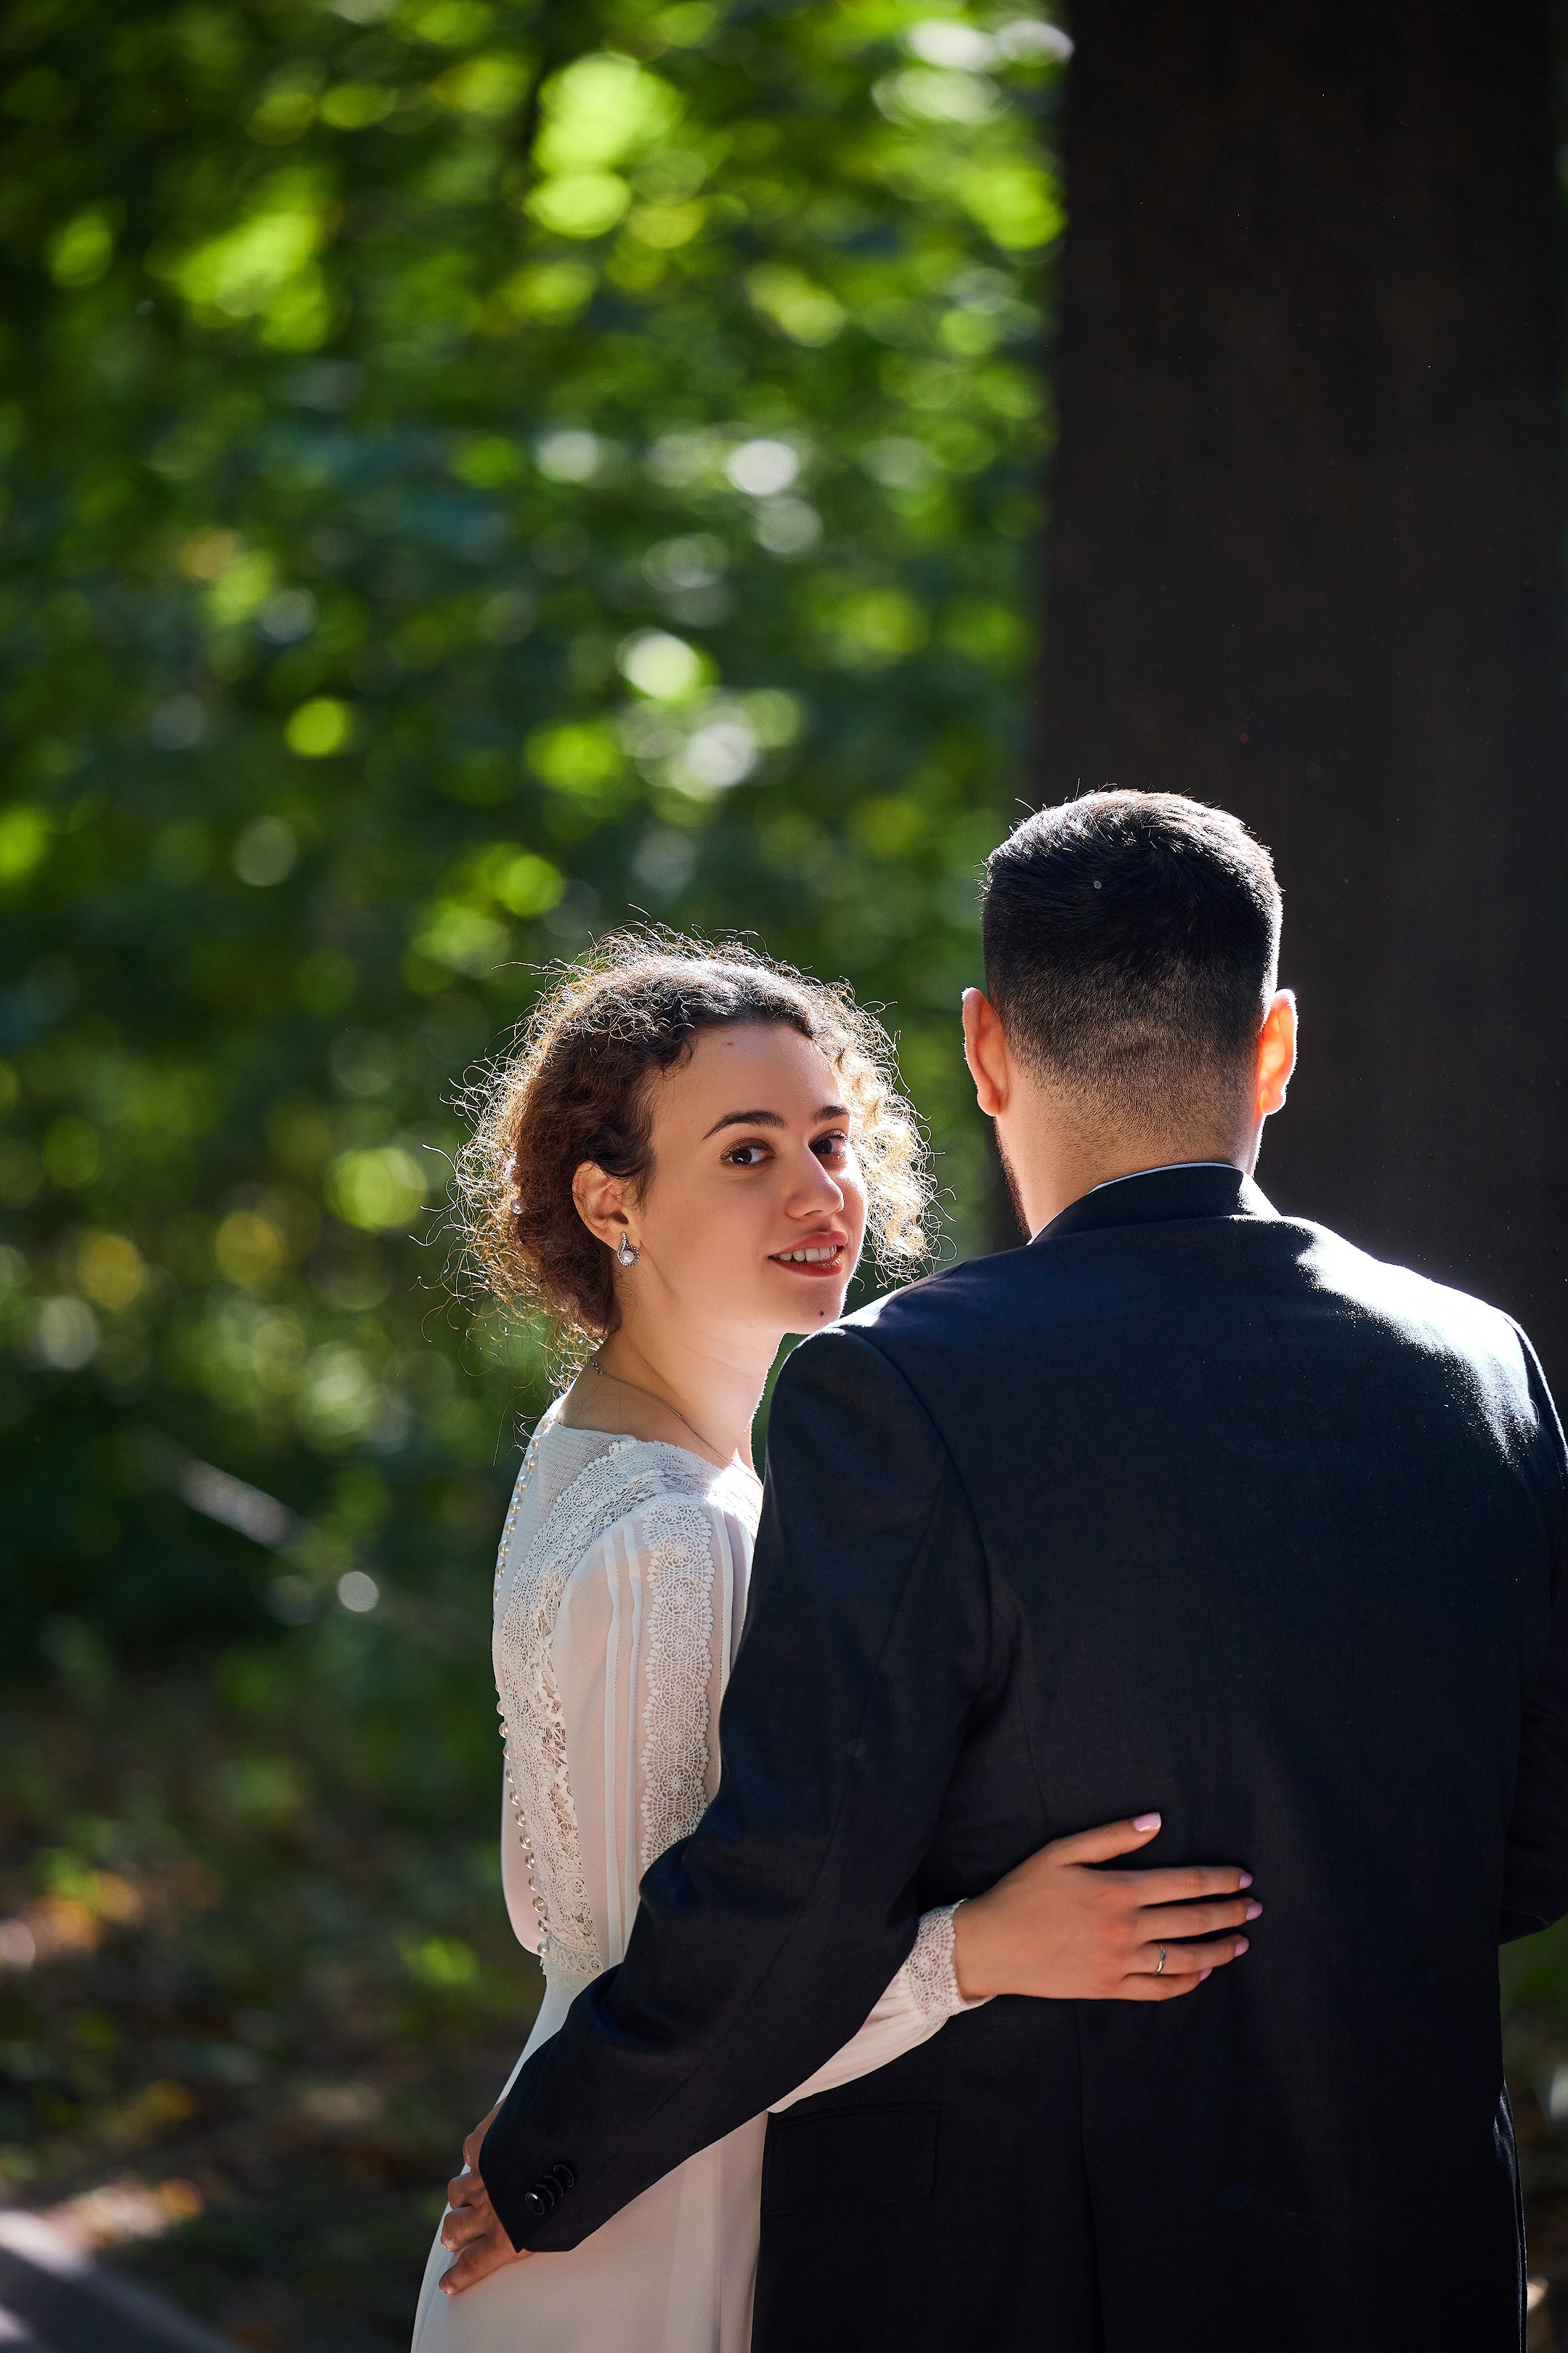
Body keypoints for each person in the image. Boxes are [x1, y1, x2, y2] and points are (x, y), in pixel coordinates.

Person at [461, 795, 1568, 2353]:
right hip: (1394, 2252)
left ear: (983, 1050)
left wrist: (549, 2151)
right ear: (1278, 1049)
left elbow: (801, 1869)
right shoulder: (1485, 1367)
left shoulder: (902, 1389)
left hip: (1008, 2272)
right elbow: (1534, 1837)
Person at [411, 936, 1256, 2351]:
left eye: (830, 1137)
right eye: (747, 1154)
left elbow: (576, 1925)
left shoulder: (605, 1453)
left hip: (638, 2186)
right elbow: (687, 2020)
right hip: (636, 2239)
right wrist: (980, 1949)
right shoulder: (672, 1539)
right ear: (612, 1200)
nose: (822, 1194)